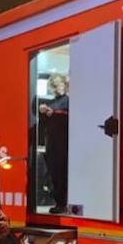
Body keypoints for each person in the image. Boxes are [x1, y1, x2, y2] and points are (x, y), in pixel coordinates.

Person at [38, 73, 70, 214]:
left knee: (62, 174)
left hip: (64, 145)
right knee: (54, 175)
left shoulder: (69, 102)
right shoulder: (51, 103)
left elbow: (69, 120)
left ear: (64, 84)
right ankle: (59, 202)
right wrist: (42, 112)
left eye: (58, 85)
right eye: (53, 87)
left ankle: (63, 203)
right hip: (51, 145)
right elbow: (44, 124)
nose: (56, 89)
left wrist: (54, 113)